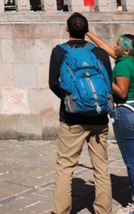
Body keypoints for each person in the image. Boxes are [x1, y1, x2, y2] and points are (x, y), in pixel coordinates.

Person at [87, 30, 134, 214]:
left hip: (125, 113)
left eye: (118, 44)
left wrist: (102, 76)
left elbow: (121, 92)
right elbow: (103, 47)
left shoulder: (121, 67)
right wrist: (89, 32)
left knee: (132, 163)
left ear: (126, 50)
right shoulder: (129, 61)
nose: (114, 46)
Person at [49, 13, 113, 214]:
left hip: (72, 118)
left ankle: (61, 211)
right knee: (101, 167)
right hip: (99, 116)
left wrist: (70, 101)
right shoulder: (100, 53)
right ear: (87, 30)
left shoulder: (59, 52)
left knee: (65, 167)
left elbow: (53, 83)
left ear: (67, 28)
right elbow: (108, 82)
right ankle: (103, 210)